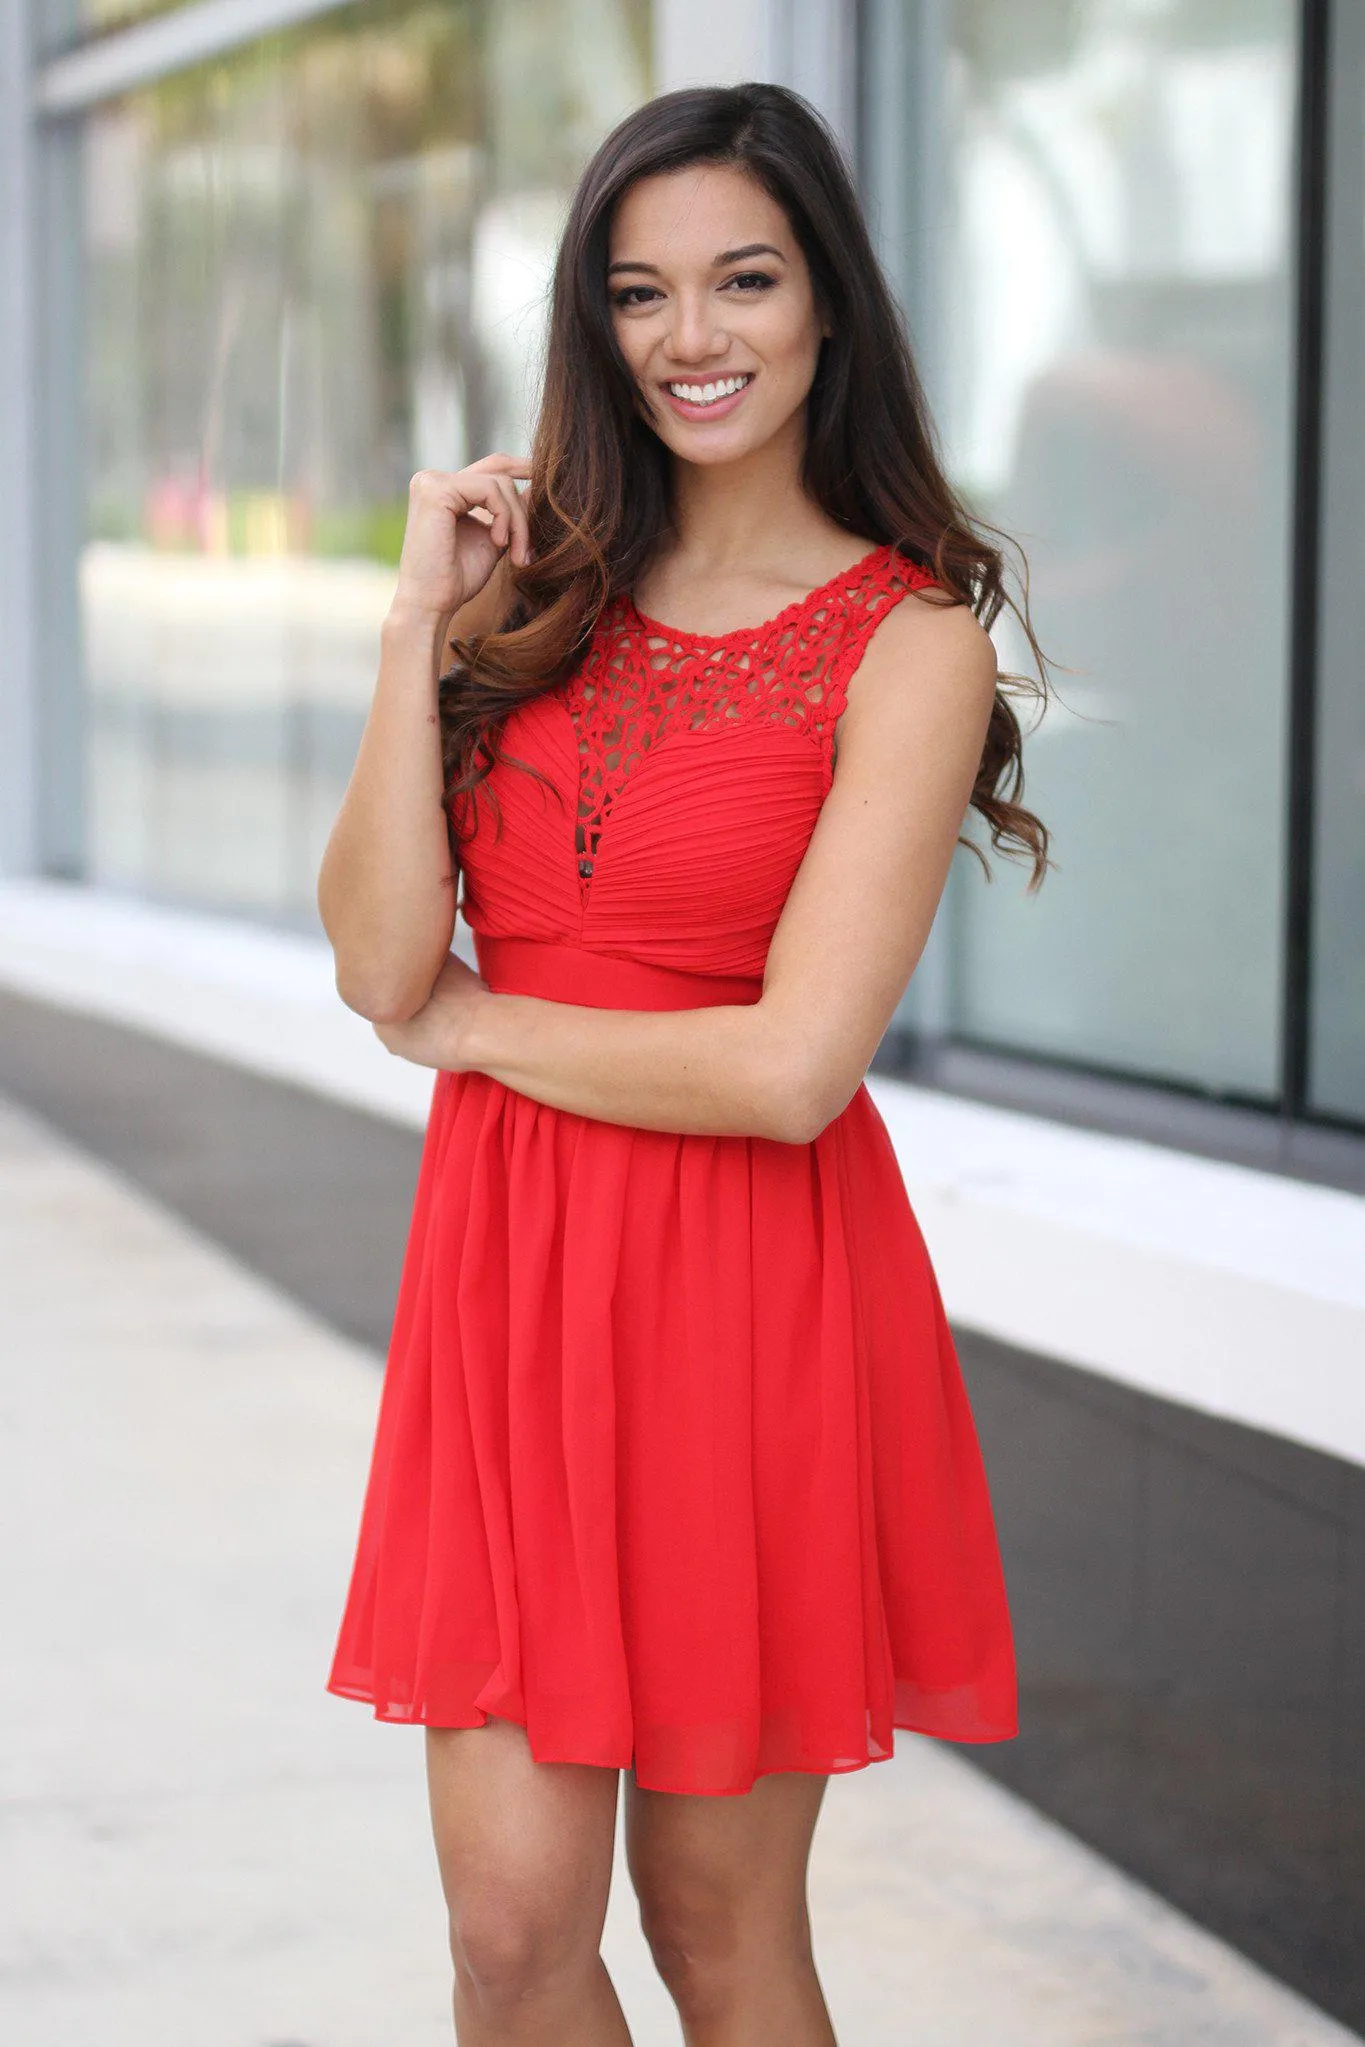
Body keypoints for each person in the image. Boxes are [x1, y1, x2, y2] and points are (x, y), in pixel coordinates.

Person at [318, 79, 1048, 2047]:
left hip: (746, 1306)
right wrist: (414, 627)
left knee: (720, 1936)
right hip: (505, 1292)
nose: (693, 337)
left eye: (744, 279)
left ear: (827, 309)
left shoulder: (910, 645)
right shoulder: (526, 596)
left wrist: (467, 1027)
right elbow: (377, 953)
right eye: (641, 294)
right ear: (591, 324)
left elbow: (792, 1069)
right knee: (506, 1937)